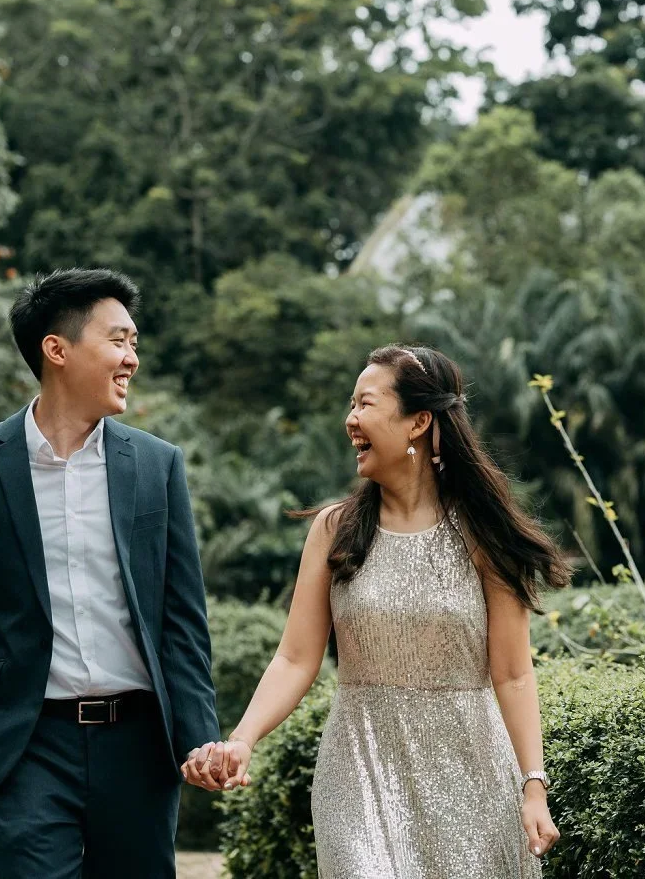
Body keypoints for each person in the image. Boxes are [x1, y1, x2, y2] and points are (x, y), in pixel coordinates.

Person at [185, 344, 569, 877]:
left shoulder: (484, 535)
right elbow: (297, 659)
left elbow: (512, 672)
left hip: (471, 775)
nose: (350, 420)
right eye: (351, 404)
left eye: (365, 404)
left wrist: (532, 785)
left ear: (418, 422)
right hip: (358, 770)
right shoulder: (333, 531)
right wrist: (242, 739)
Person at [0, 268, 225, 878]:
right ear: (56, 350)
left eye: (134, 342)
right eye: (118, 340)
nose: (132, 358)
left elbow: (182, 623)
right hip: (29, 743)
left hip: (139, 744)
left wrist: (201, 742)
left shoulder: (157, 466)